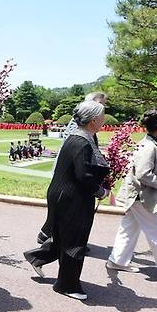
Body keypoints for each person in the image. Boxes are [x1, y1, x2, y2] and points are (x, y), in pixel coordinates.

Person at [24, 100, 110, 300]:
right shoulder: (82, 142)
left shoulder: (80, 136)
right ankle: (67, 285)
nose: (103, 120)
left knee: (64, 237)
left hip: (65, 195)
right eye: (102, 117)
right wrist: (101, 191)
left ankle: (37, 257)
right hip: (71, 197)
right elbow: (84, 176)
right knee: (74, 241)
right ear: (93, 120)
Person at [107, 108, 157, 283]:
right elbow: (143, 174)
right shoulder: (149, 146)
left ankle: (117, 260)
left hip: (136, 195)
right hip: (142, 197)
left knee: (129, 227)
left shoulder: (149, 142)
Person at [36, 91, 108, 244]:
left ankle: (51, 242)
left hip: (73, 172)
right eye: (100, 104)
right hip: (68, 173)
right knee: (63, 213)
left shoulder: (86, 127)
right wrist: (99, 189)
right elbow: (74, 151)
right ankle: (49, 242)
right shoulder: (79, 127)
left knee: (61, 216)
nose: (103, 108)